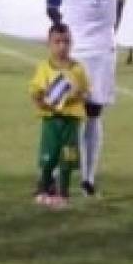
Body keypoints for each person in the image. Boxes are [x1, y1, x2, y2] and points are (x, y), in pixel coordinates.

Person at [45, 0, 132, 195]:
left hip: (102, 53)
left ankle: (88, 178)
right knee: (60, 112)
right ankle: (56, 171)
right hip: (72, 54)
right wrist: (65, 40)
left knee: (94, 114)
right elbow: (52, 8)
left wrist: (111, 28)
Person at [28, 24, 90, 208]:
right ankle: (44, 190)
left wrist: (75, 95)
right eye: (58, 42)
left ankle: (63, 194)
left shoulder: (77, 69)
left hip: (70, 122)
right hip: (51, 120)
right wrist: (42, 99)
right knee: (49, 157)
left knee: (67, 158)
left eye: (67, 42)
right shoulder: (44, 68)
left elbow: (86, 92)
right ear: (49, 43)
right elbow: (35, 92)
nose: (62, 46)